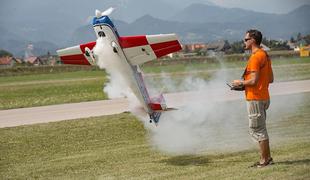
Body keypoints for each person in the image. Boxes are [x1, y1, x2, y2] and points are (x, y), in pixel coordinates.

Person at [231, 29, 274, 168]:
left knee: (257, 129)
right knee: (261, 128)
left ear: (253, 40)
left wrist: (240, 83)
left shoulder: (255, 57)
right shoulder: (265, 55)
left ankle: (264, 160)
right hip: (264, 96)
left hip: (255, 98)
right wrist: (247, 84)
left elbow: (254, 81)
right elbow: (271, 79)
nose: (244, 42)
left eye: (245, 39)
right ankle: (267, 158)